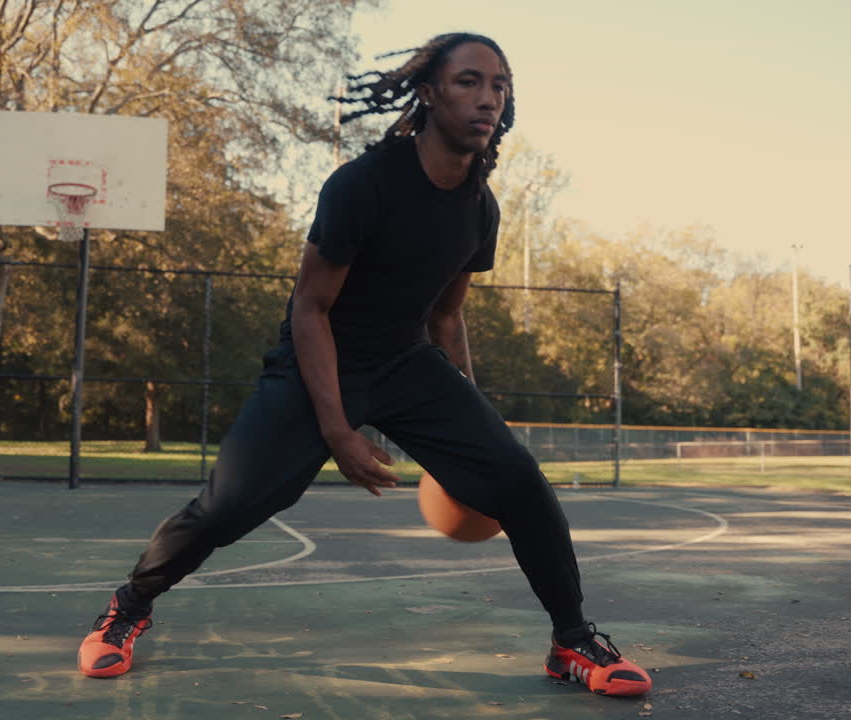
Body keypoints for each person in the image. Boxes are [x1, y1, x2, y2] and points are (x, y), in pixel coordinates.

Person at [77, 31, 652, 698]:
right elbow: (311, 308)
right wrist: (338, 430)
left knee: (519, 477)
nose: (488, 98)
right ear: (430, 93)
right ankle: (128, 607)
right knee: (229, 508)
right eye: (469, 81)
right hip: (315, 361)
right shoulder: (363, 184)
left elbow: (444, 318)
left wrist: (474, 422)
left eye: (500, 86)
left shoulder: (479, 209)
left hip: (408, 363)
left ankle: (572, 641)